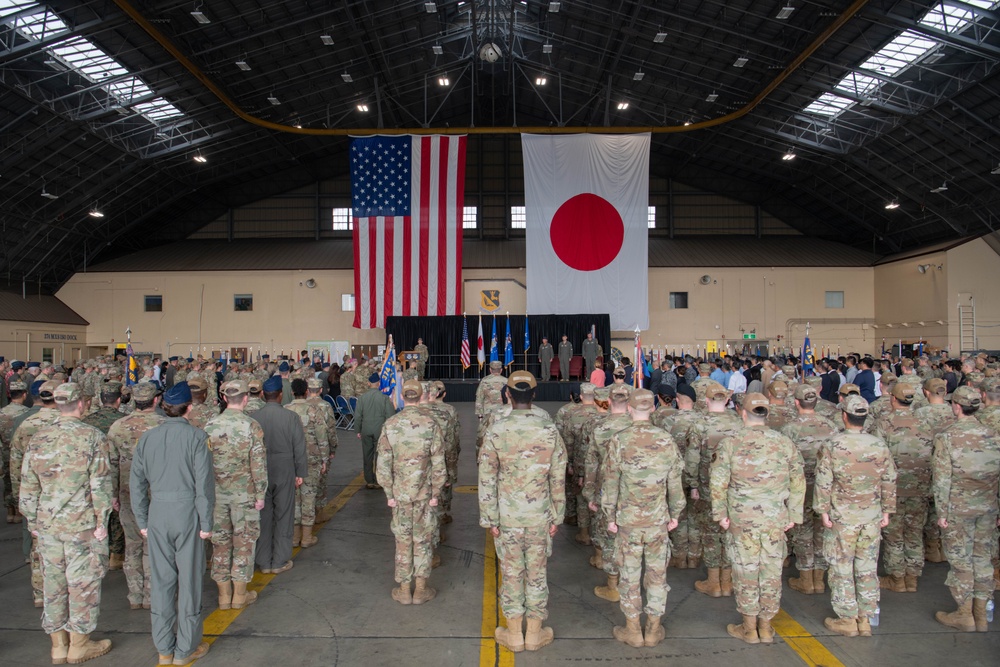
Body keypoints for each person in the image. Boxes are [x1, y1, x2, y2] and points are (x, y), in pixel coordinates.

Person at [20, 383, 114, 665]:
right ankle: (79, 645)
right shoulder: (92, 437)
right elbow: (100, 484)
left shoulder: (39, 437)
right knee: (82, 584)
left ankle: (58, 646)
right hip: (82, 525)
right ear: (82, 404)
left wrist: (33, 521)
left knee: (54, 584)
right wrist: (103, 520)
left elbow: (28, 486)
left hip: (48, 526)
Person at [480, 371, 566, 653]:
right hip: (540, 515)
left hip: (507, 516)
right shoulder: (549, 430)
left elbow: (487, 478)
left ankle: (515, 634)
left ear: (507, 394)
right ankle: (535, 634)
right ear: (535, 394)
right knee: (537, 574)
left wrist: (489, 517)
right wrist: (558, 515)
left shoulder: (496, 431)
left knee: (512, 573)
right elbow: (558, 476)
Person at [131, 382, 215, 666]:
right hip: (187, 513)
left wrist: (143, 519)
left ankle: (164, 648)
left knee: (162, 582)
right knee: (189, 582)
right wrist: (206, 522)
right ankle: (186, 648)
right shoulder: (197, 437)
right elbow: (204, 486)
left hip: (158, 515)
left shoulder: (147, 438)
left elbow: (137, 484)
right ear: (189, 408)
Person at [711, 392, 805, 644]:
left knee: (745, 570)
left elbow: (718, 481)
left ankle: (749, 627)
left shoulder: (730, 443)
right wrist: (793, 514)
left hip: (742, 517)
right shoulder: (784, 443)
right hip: (775, 517)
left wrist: (720, 513)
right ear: (767, 414)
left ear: (743, 413)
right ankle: (766, 626)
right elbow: (798, 480)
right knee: (771, 572)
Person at [601, 389, 685, 648]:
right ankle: (653, 629)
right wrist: (675, 513)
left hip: (628, 521)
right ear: (652, 409)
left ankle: (633, 631)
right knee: (658, 576)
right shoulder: (666, 440)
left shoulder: (619, 440)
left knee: (629, 574)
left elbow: (611, 482)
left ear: (629, 409)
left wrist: (610, 516)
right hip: (658, 520)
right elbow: (675, 483)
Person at [814, 395, 896, 638]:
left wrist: (823, 510)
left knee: (841, 566)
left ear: (844, 416)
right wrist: (887, 511)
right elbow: (890, 479)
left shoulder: (833, 445)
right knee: (867, 566)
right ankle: (866, 617)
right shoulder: (879, 445)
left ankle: (848, 618)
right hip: (871, 515)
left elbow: (823, 481)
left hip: (843, 516)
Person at [931, 385, 1000, 632]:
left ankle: (964, 614)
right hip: (988, 507)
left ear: (957, 407)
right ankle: (981, 615)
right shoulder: (994, 435)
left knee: (961, 560)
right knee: (982, 558)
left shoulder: (947, 437)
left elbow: (941, 480)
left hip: (958, 508)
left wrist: (941, 513)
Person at [377, 379, 446, 605]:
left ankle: (404, 589)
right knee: (423, 540)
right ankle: (421, 590)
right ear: (420, 396)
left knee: (403, 540)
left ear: (402, 397)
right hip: (425, 495)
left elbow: (383, 465)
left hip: (400, 495)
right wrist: (436, 493)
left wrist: (389, 494)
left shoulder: (390, 424)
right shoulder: (431, 424)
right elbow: (439, 464)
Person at [205, 380, 267, 611]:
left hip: (216, 496)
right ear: (245, 398)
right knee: (244, 543)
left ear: (224, 398)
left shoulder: (209, 425)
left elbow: (203, 465)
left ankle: (223, 597)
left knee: (220, 544)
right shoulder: (252, 426)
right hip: (245, 495)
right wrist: (260, 493)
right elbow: (258, 464)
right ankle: (239, 596)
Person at [107, 381, 166, 610]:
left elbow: (110, 465)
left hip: (127, 493)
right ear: (156, 400)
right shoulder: (163, 426)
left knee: (132, 544)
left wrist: (112, 495)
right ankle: (152, 594)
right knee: (154, 545)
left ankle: (135, 594)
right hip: (158, 494)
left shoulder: (118, 427)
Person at [780, 384, 839, 596]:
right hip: (826, 488)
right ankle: (819, 580)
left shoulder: (789, 428)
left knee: (803, 532)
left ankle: (806, 578)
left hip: (801, 488)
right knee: (823, 531)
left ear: (796, 403)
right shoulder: (831, 426)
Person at [686, 383, 743, 597]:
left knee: (710, 534)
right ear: (727, 400)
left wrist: (692, 484)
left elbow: (692, 458)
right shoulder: (739, 423)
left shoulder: (700, 424)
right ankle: (727, 582)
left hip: (707, 486)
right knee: (730, 533)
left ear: (706, 401)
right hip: (735, 488)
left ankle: (714, 583)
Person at [251, 375, 306, 575]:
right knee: (284, 514)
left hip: (261, 469)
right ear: (281, 395)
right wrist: (300, 472)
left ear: (264, 395)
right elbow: (299, 447)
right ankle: (280, 560)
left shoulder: (254, 417)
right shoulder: (291, 417)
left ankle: (263, 561)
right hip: (285, 468)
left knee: (263, 516)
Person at [583, 384, 632, 599]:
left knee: (610, 536)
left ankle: (613, 587)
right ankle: (629, 585)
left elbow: (591, 465)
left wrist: (590, 494)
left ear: (609, 402)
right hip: (637, 495)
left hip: (607, 491)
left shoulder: (601, 429)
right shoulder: (640, 428)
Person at [354, 373, 396, 489]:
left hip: (366, 429)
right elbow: (390, 416)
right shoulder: (384, 398)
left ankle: (369, 481)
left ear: (368, 383)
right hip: (380, 430)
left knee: (367, 455)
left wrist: (358, 430)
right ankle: (378, 480)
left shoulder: (362, 398)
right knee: (380, 456)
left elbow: (357, 416)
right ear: (378, 384)